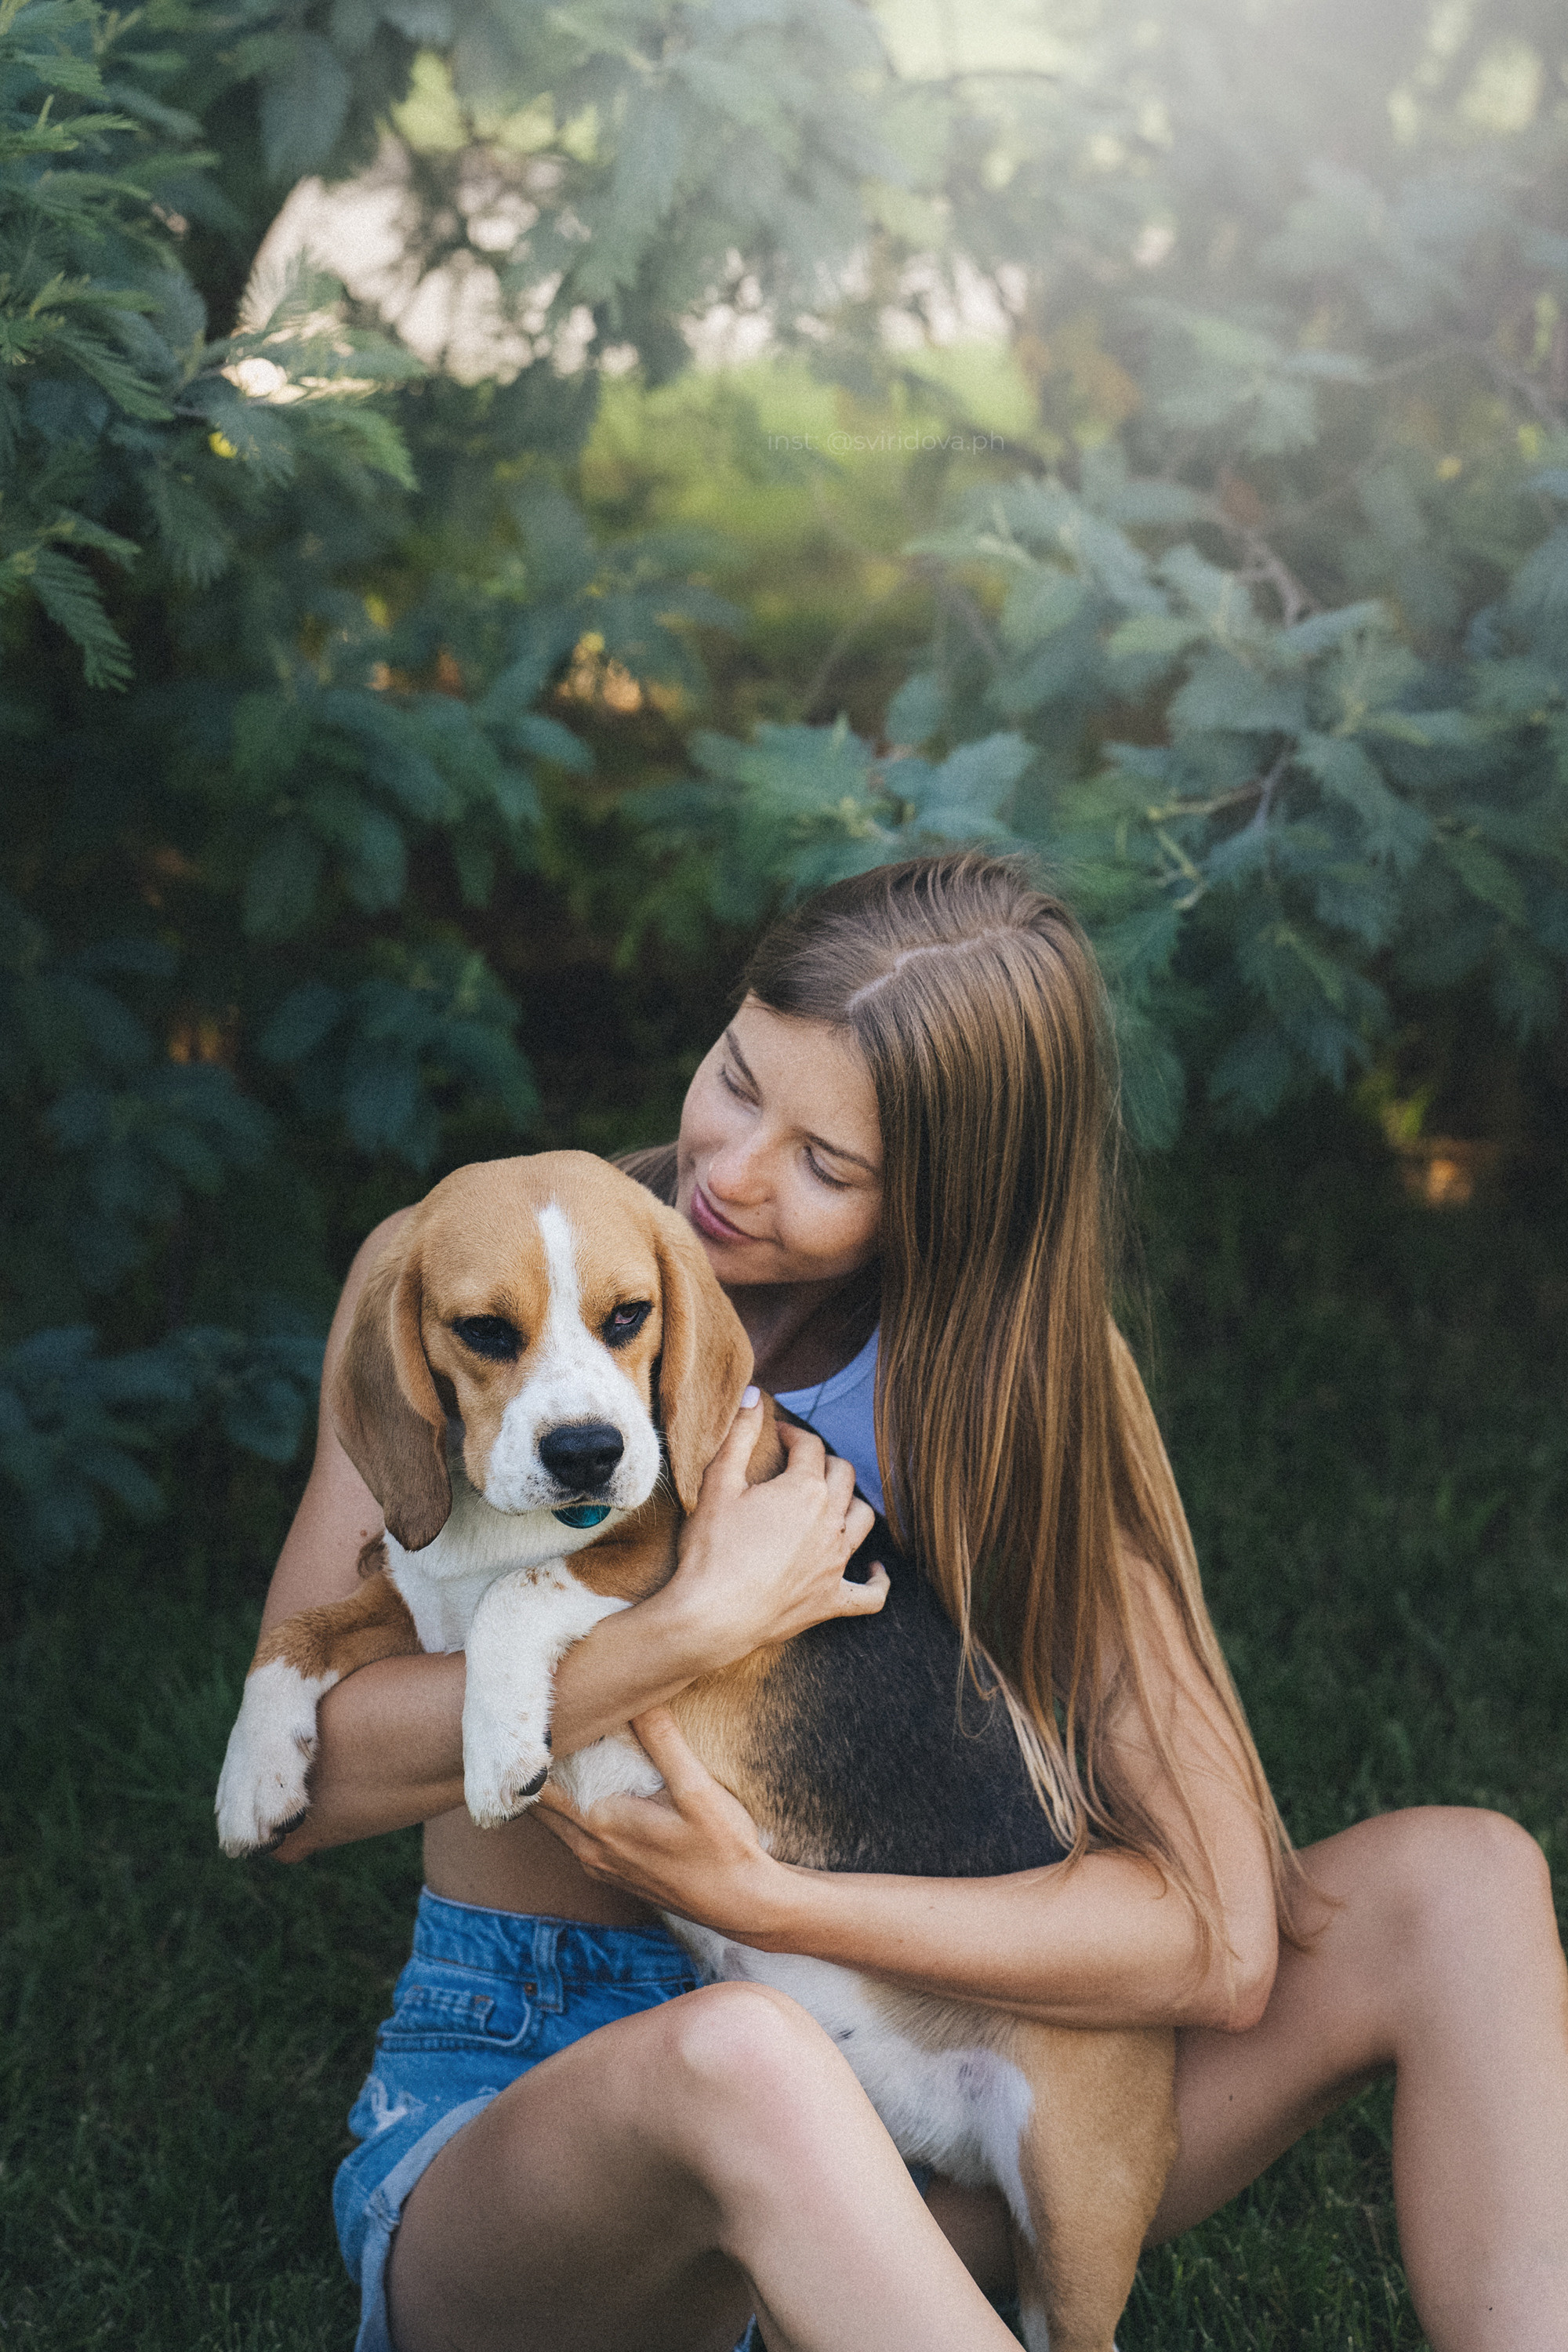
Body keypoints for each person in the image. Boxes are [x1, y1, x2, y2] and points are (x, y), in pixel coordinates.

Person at [260, 854, 1568, 2352]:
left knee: (1462, 1882)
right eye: (737, 1078)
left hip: (915, 2097)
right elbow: (303, 1793)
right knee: (749, 2058)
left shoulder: (1016, 1394)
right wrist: (681, 1630)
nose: (734, 1171)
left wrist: (775, 1905)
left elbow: (1217, 1941)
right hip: (561, 2144)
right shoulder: (475, 1276)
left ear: (949, 1202)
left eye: (827, 1165)